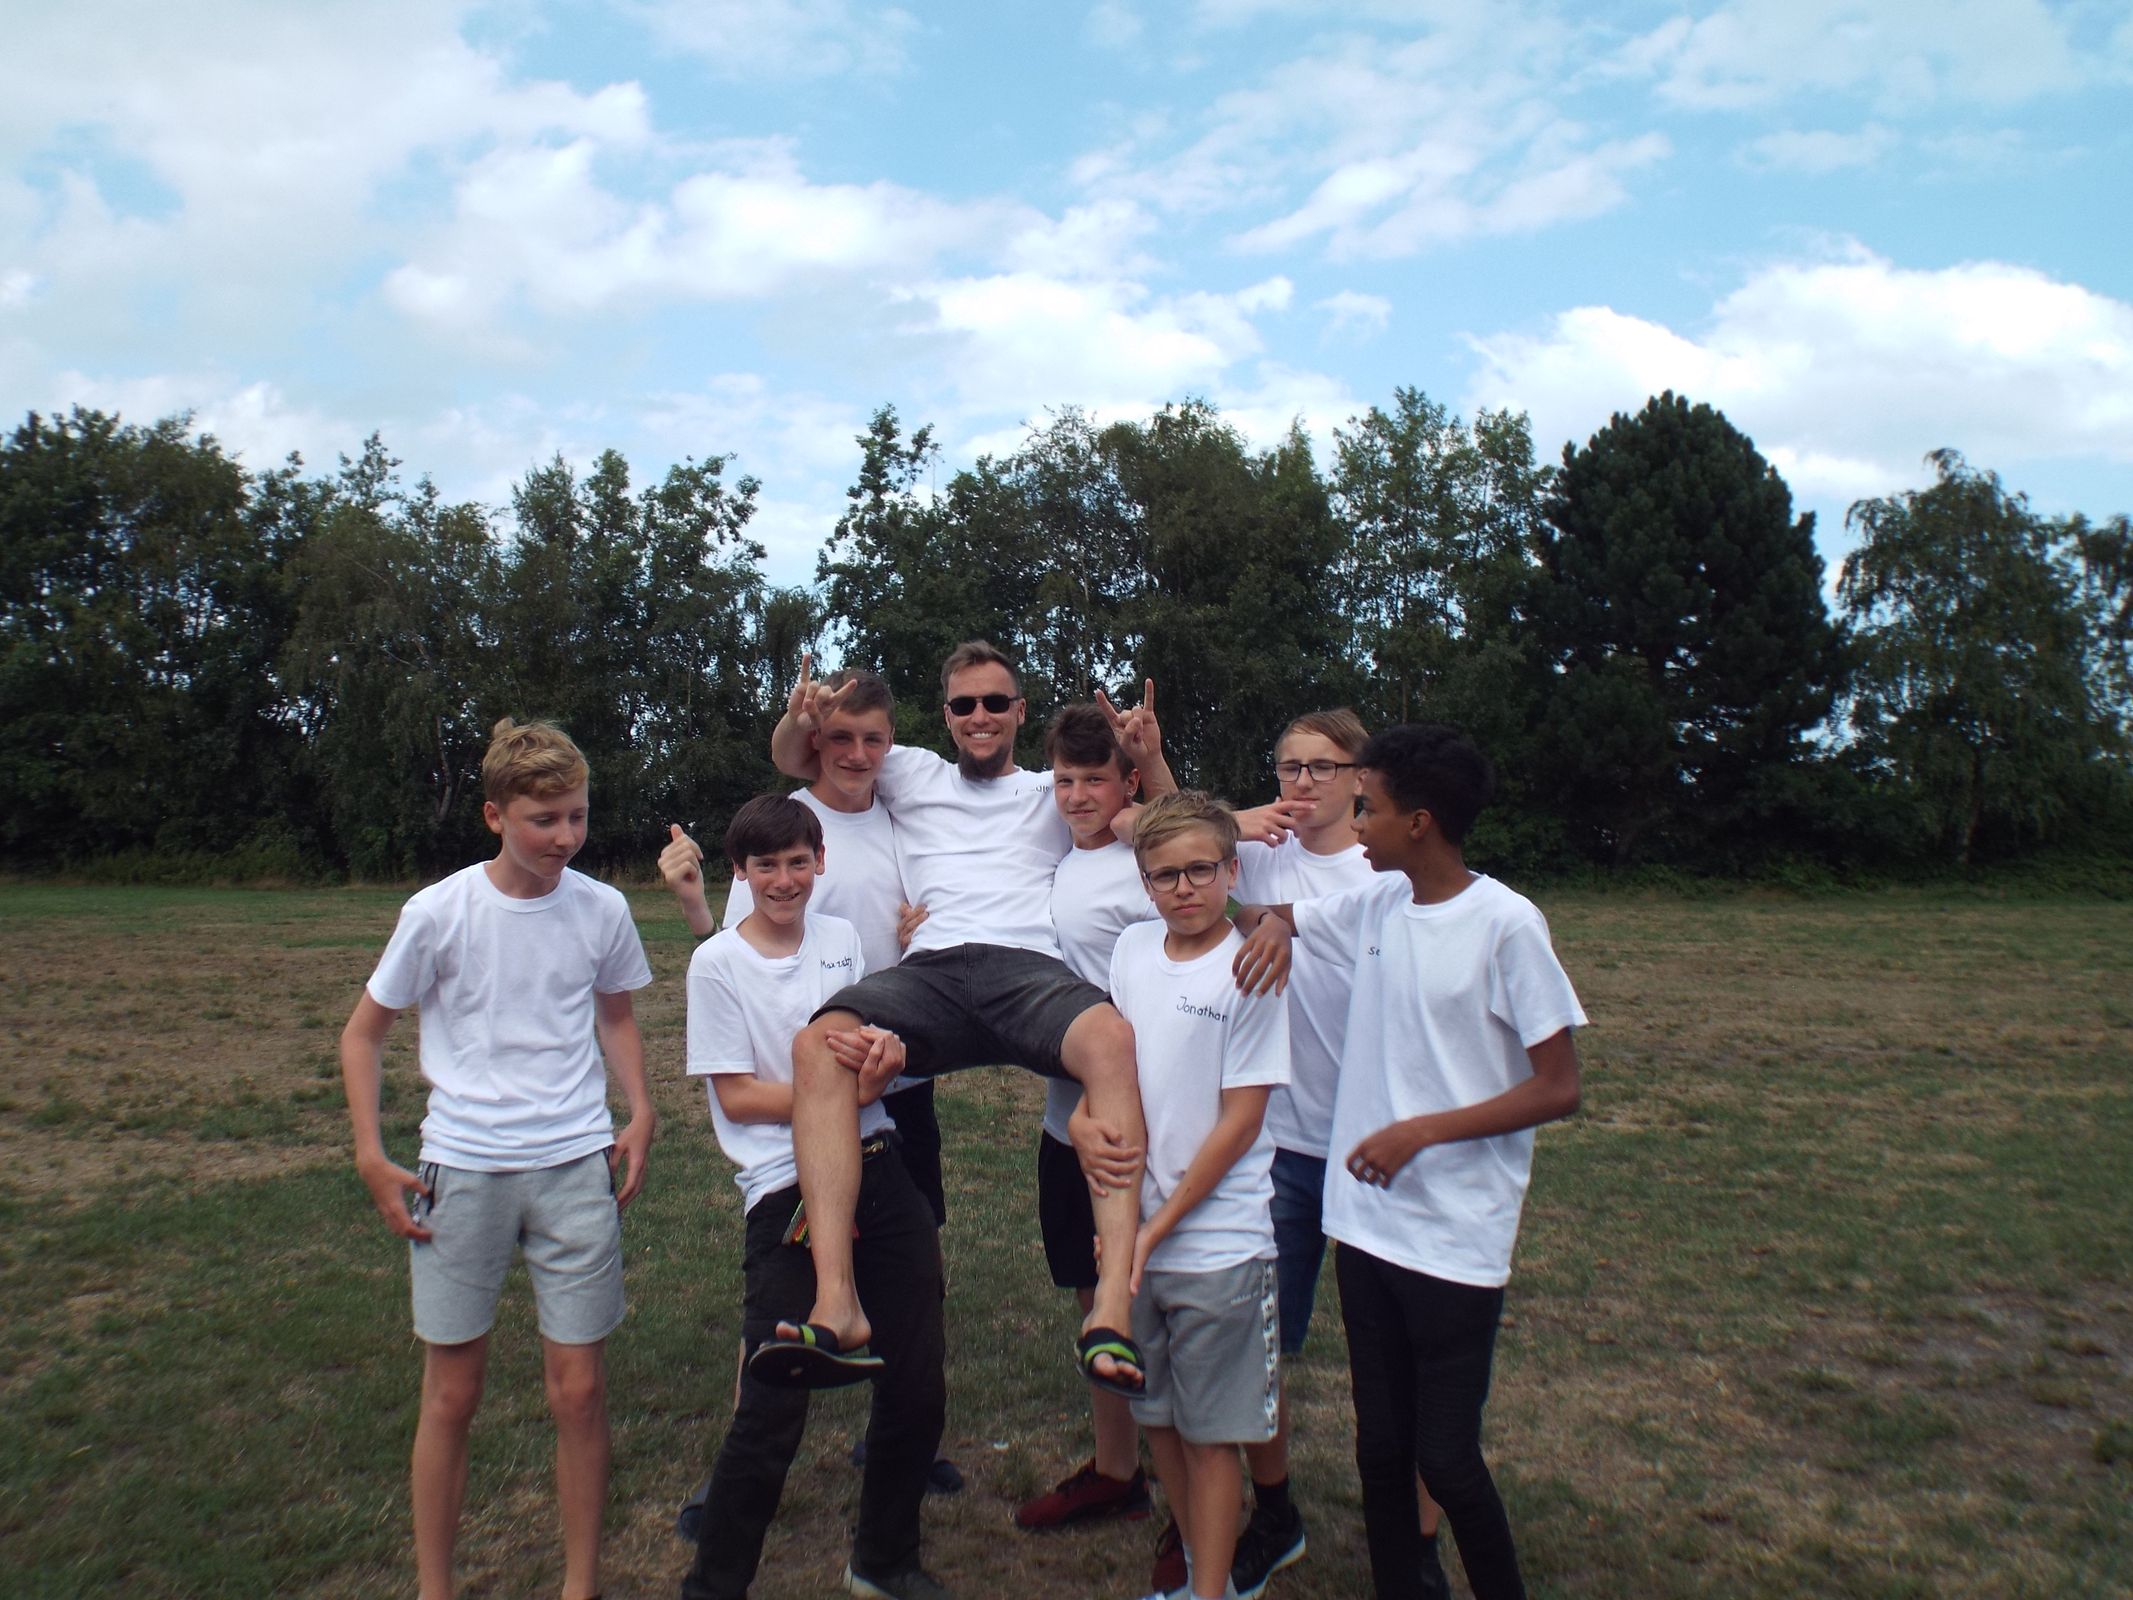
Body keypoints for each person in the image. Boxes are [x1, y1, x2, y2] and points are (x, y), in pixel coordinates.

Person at [760, 643, 1187, 1398]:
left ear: (1019, 711)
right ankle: (838, 1304)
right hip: (931, 968)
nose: (980, 716)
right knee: (819, 1045)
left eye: (995, 702)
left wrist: (1150, 762)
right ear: (946, 715)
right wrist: (800, 719)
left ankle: (1111, 1308)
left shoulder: (1054, 789)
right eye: (964, 704)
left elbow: (1173, 829)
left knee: (1110, 1038)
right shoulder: (910, 771)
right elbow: (800, 758)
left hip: (1027, 971)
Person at [1242, 724, 1586, 1600]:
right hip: (1364, 1225)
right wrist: (1272, 921)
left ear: (1420, 823)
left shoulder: (1505, 924)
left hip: (1452, 1235)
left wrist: (1419, 1132)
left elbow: (1558, 1087)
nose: (1358, 825)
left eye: (1371, 808)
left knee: (1446, 1458)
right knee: (1381, 1446)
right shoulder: (1377, 904)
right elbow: (1276, 915)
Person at [340, 717, 655, 1600]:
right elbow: (363, 1035)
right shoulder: (438, 912)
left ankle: (580, 1584)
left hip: (574, 1165)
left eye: (577, 817)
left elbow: (616, 1015)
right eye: (543, 820)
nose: (564, 837)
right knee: (452, 1394)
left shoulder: (602, 908)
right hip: (463, 1168)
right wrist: (370, 1153)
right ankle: (434, 1587)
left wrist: (640, 1109)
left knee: (578, 1391)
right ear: (494, 815)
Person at [660, 670, 962, 1518]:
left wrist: (918, 941)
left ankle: (899, 1440)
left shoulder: (904, 818)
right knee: (784, 1284)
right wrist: (693, 907)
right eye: (840, 739)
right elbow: (739, 948)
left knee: (910, 1265)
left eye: (874, 740)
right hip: (800, 1089)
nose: (858, 755)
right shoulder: (788, 825)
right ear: (814, 745)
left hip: (892, 1080)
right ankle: (739, 1471)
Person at [1226, 709, 1389, 1596]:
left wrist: (1280, 921)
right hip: (1280, 1146)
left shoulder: (1388, 867)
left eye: (1322, 767)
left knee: (1391, 1358)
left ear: (1360, 776)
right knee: (1261, 1345)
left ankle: (1406, 1535)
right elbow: (1163, 831)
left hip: (1374, 1147)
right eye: (1288, 766)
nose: (1301, 782)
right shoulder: (1259, 852)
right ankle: (1274, 1511)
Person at [1112, 791, 1290, 1600]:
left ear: (1231, 871)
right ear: (1144, 882)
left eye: (1199, 870)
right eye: (1164, 876)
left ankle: (1212, 1590)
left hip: (1217, 1244)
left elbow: (1240, 1121)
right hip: (1135, 1237)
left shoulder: (1251, 966)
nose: (1183, 889)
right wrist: (1085, 1128)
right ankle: (1191, 1574)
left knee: (1210, 1437)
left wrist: (1156, 1229)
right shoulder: (1130, 951)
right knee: (1159, 1425)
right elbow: (1114, 1076)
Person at [1014, 704, 1160, 1533]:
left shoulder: (1150, 861)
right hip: (1061, 1118)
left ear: (1127, 783)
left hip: (1138, 1122)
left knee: (1153, 1297)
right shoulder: (1058, 859)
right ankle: (1116, 1470)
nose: (1075, 796)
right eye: (1064, 780)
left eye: (1094, 780)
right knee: (1089, 1290)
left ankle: (1198, 1489)